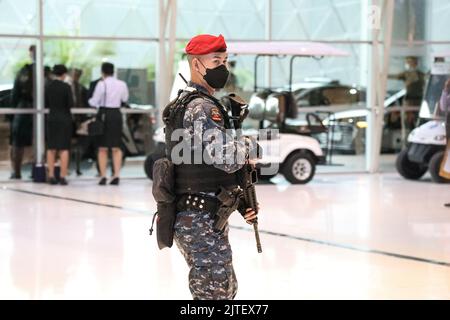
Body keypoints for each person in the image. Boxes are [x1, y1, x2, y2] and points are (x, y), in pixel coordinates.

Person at [161, 34, 258, 300]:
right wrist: (250, 145)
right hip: (199, 218)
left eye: (225, 61)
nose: (222, 68)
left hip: (202, 214)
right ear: (196, 65)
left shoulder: (188, 102)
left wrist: (241, 203)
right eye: (216, 61)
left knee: (222, 289)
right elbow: (225, 158)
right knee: (215, 293)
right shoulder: (203, 107)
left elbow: (206, 165)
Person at [88, 62, 129, 186]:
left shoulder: (102, 84)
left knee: (102, 148)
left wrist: (90, 101)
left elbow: (94, 101)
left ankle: (103, 176)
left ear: (102, 72)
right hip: (116, 115)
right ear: (113, 71)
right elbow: (125, 99)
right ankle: (116, 175)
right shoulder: (122, 84)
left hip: (104, 115)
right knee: (116, 147)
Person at [9, 45, 36, 179]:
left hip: (24, 109)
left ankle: (17, 172)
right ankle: (32, 171)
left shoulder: (23, 72)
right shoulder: (42, 72)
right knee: (33, 142)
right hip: (34, 110)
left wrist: (13, 113)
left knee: (18, 143)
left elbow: (15, 94)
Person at [45, 64, 74, 185]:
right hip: (64, 119)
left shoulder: (48, 86)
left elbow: (46, 102)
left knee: (51, 148)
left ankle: (51, 175)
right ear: (64, 74)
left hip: (52, 118)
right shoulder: (66, 87)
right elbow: (70, 103)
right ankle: (62, 176)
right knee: (64, 148)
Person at [388, 56, 425, 129]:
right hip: (409, 99)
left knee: (418, 118)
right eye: (407, 62)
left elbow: (426, 78)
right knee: (407, 120)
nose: (408, 64)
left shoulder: (420, 74)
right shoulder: (406, 74)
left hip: (418, 99)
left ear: (415, 63)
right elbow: (395, 76)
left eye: (409, 62)